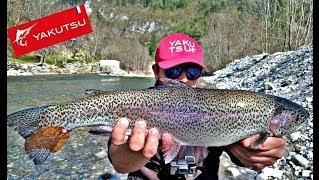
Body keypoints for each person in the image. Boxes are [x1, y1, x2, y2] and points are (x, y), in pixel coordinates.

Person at [108, 33, 285, 179]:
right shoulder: (133, 103)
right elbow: (119, 163)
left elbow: (247, 156)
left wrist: (256, 154)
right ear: (156, 72)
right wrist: (131, 156)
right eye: (174, 70)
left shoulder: (221, 105)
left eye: (192, 71)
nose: (183, 78)